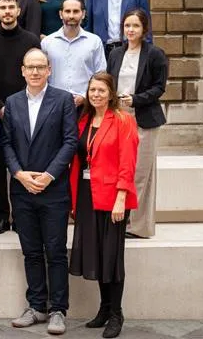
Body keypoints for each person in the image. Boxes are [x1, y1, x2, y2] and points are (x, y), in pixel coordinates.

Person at [1, 48, 78, 335]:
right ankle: (36, 306)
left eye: (40, 67)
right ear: (22, 71)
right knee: (31, 251)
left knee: (56, 251)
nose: (35, 72)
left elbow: (70, 142)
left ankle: (58, 309)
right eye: (30, 67)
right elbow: (6, 143)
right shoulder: (13, 102)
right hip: (22, 189)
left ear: (49, 70)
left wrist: (48, 175)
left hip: (53, 189)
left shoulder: (63, 100)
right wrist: (19, 173)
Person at [69, 72, 139, 339]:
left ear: (111, 93)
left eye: (101, 90)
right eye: (92, 90)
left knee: (112, 256)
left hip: (112, 197)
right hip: (87, 194)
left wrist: (121, 197)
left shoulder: (123, 121)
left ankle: (116, 313)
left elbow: (127, 161)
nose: (95, 95)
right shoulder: (84, 120)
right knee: (96, 253)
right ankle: (103, 308)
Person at [0, 0, 41, 235]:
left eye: (11, 8)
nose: (7, 12)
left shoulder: (31, 41)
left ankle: (21, 215)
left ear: (19, 11)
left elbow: (35, 78)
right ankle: (2, 217)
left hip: (25, 110)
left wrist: (17, 107)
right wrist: (0, 106)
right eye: (3, 8)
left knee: (22, 165)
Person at [107, 9, 167, 239]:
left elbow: (159, 87)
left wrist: (136, 99)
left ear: (144, 30)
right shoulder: (115, 54)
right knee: (120, 170)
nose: (130, 30)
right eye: (127, 26)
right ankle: (119, 220)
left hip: (144, 118)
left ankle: (138, 227)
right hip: (118, 117)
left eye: (135, 26)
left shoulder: (155, 55)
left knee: (141, 173)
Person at [42, 0, 106, 108]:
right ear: (61, 14)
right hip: (54, 105)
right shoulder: (47, 43)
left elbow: (101, 74)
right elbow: (43, 75)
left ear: (83, 13)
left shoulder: (94, 41)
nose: (71, 16)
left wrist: (84, 96)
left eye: (76, 11)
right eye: (67, 11)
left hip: (86, 105)